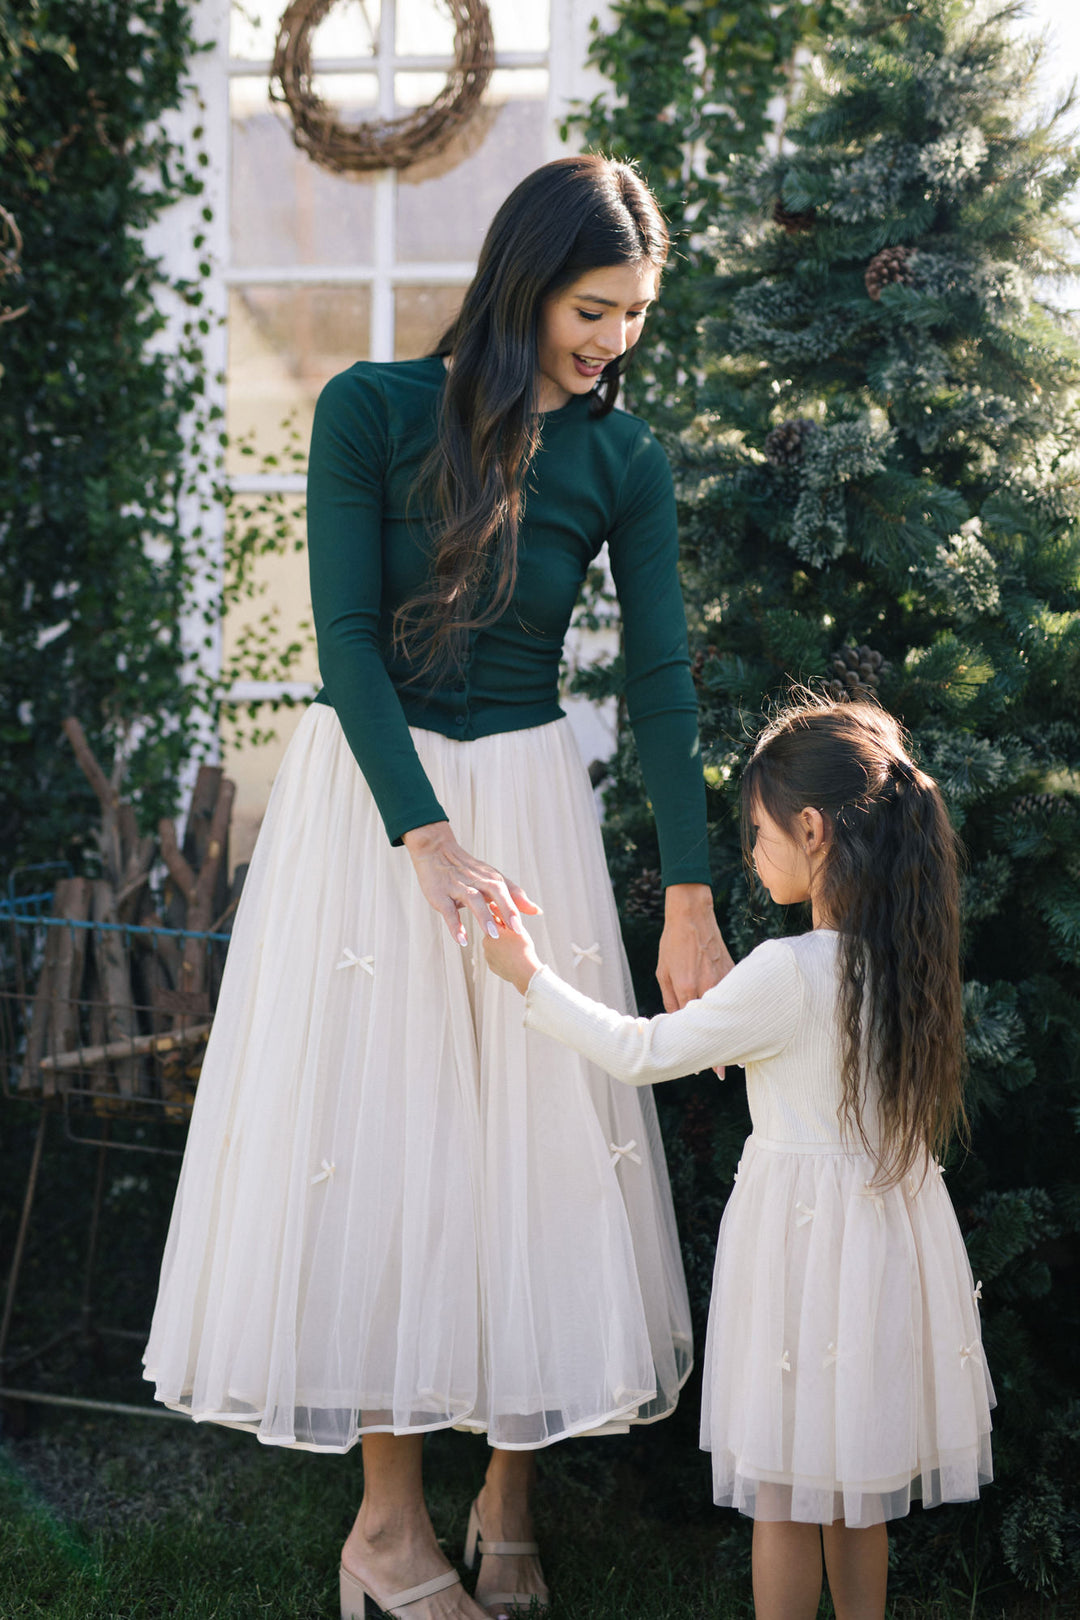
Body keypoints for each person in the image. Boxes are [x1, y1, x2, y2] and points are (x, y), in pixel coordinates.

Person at [143, 154, 733, 1620]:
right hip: (377, 812)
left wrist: (691, 894)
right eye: (597, 308)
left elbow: (659, 682)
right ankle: (388, 1531)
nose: (615, 340)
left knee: (536, 1132)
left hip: (530, 792)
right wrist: (423, 837)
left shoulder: (626, 460)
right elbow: (341, 640)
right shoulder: (369, 411)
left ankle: (511, 1492)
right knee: (390, 1131)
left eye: (637, 316)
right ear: (526, 282)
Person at [483, 695, 994, 1620]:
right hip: (878, 1248)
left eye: (758, 832)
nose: (752, 853)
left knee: (786, 1492)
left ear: (812, 828)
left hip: (800, 1250)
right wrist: (740, 1032)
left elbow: (640, 1051)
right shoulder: (907, 964)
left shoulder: (786, 971)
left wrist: (528, 974)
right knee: (855, 1485)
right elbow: (813, 1054)